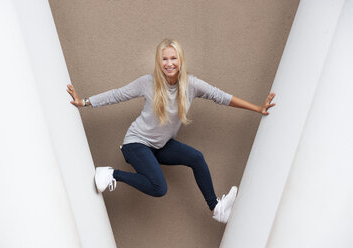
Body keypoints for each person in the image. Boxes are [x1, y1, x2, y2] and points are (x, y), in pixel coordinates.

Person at [67, 39, 275, 224]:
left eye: (173, 58)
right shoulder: (148, 82)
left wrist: (257, 108)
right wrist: (84, 102)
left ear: (180, 60)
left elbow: (221, 96)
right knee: (159, 188)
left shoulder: (191, 85)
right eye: (164, 59)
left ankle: (216, 209)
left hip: (160, 145)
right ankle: (111, 173)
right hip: (136, 144)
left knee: (196, 158)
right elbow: (117, 95)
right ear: (159, 62)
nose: (169, 63)